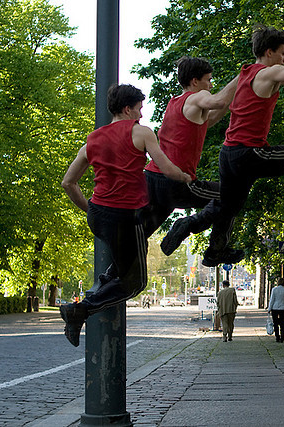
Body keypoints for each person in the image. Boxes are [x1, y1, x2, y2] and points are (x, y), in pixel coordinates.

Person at [162, 25, 284, 267]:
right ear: (269, 52)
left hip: (229, 153)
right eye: (283, 53)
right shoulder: (267, 72)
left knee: (228, 206)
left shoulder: (246, 73)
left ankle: (205, 241)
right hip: (249, 153)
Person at [59, 84, 192, 346]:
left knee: (129, 257)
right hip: (124, 216)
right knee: (136, 283)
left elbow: (68, 183)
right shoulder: (141, 133)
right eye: (139, 109)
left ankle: (105, 280)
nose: (141, 115)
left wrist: (90, 210)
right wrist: (185, 177)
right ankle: (79, 310)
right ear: (127, 108)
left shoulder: (92, 139)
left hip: (99, 215)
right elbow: (167, 169)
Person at [138, 56, 238, 255]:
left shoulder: (175, 103)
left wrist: (234, 98)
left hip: (154, 178)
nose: (211, 85)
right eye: (208, 80)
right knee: (233, 194)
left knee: (141, 232)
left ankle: (110, 277)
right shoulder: (196, 97)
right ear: (195, 81)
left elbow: (208, 120)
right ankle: (214, 247)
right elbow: (218, 101)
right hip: (177, 181)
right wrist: (243, 76)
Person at [267, 278, 284, 343]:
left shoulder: (274, 289)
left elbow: (272, 300)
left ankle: (277, 337)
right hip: (283, 308)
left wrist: (269, 308)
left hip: (275, 308)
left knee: (275, 323)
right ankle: (282, 336)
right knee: (282, 323)